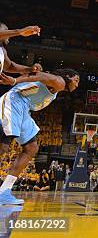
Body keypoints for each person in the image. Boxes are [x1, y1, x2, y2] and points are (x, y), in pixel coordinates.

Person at [0, 69, 80, 205]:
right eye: (76, 80)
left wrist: (28, 70)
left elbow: (36, 74)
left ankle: (4, 190)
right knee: (3, 147)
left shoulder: (55, 84)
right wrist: (14, 81)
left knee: (31, 148)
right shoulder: (60, 82)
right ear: (67, 77)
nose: (77, 85)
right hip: (13, 101)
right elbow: (39, 75)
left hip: (23, 109)